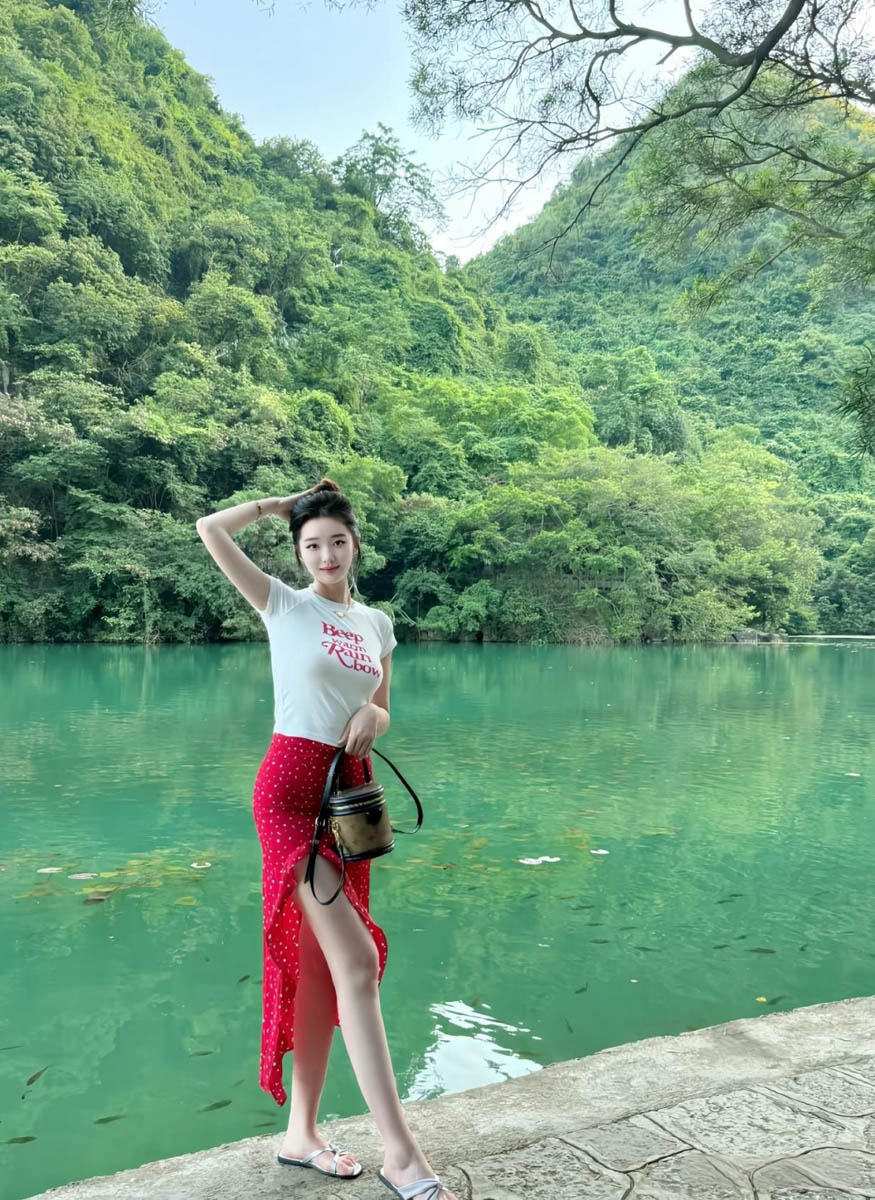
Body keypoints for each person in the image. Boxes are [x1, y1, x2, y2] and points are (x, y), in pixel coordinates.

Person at [195, 480, 457, 1200]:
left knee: (321, 966)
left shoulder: (376, 623)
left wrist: (375, 717)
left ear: (355, 544)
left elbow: (381, 706)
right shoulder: (283, 604)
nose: (326, 554)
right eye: (312, 544)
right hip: (289, 791)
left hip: (350, 794)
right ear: (299, 552)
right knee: (358, 961)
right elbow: (210, 527)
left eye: (337, 541)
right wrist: (280, 506)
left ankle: (300, 1135)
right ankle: (402, 1155)